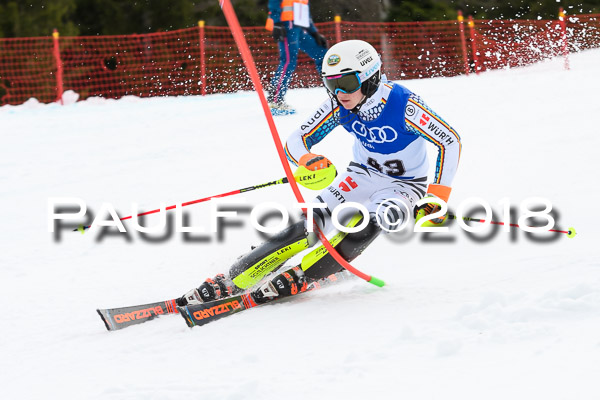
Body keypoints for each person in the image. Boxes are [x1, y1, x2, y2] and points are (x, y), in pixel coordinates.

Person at [177, 39, 462, 306]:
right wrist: (307, 159)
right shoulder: (339, 105)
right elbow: (296, 141)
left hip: (403, 186)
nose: (339, 93)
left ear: (371, 77)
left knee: (368, 224)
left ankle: (306, 274)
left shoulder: (404, 105)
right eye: (331, 83)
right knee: (309, 225)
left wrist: (436, 197)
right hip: (361, 175)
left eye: (347, 83)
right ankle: (238, 275)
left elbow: (449, 140)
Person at [265, 0, 328, 115]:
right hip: (286, 25)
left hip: (299, 28)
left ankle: (332, 89)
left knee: (321, 53)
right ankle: (275, 100)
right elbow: (274, 3)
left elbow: (306, 14)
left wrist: (314, 33)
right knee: (288, 61)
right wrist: (277, 23)